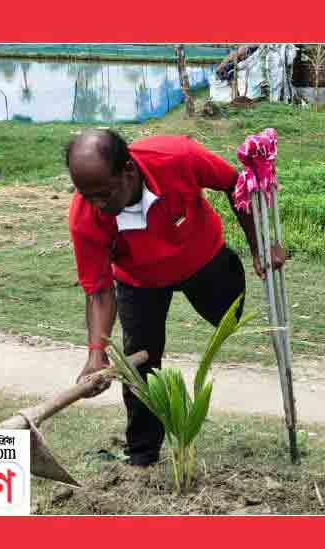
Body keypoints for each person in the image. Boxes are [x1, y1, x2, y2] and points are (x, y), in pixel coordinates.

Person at [65, 129, 285, 466]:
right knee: (140, 364)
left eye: (104, 194)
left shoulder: (177, 157)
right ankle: (142, 453)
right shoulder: (86, 216)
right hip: (139, 280)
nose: (96, 205)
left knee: (229, 315)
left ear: (128, 170)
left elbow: (235, 184)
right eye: (86, 194)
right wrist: (96, 354)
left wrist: (259, 246)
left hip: (203, 260)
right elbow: (98, 290)